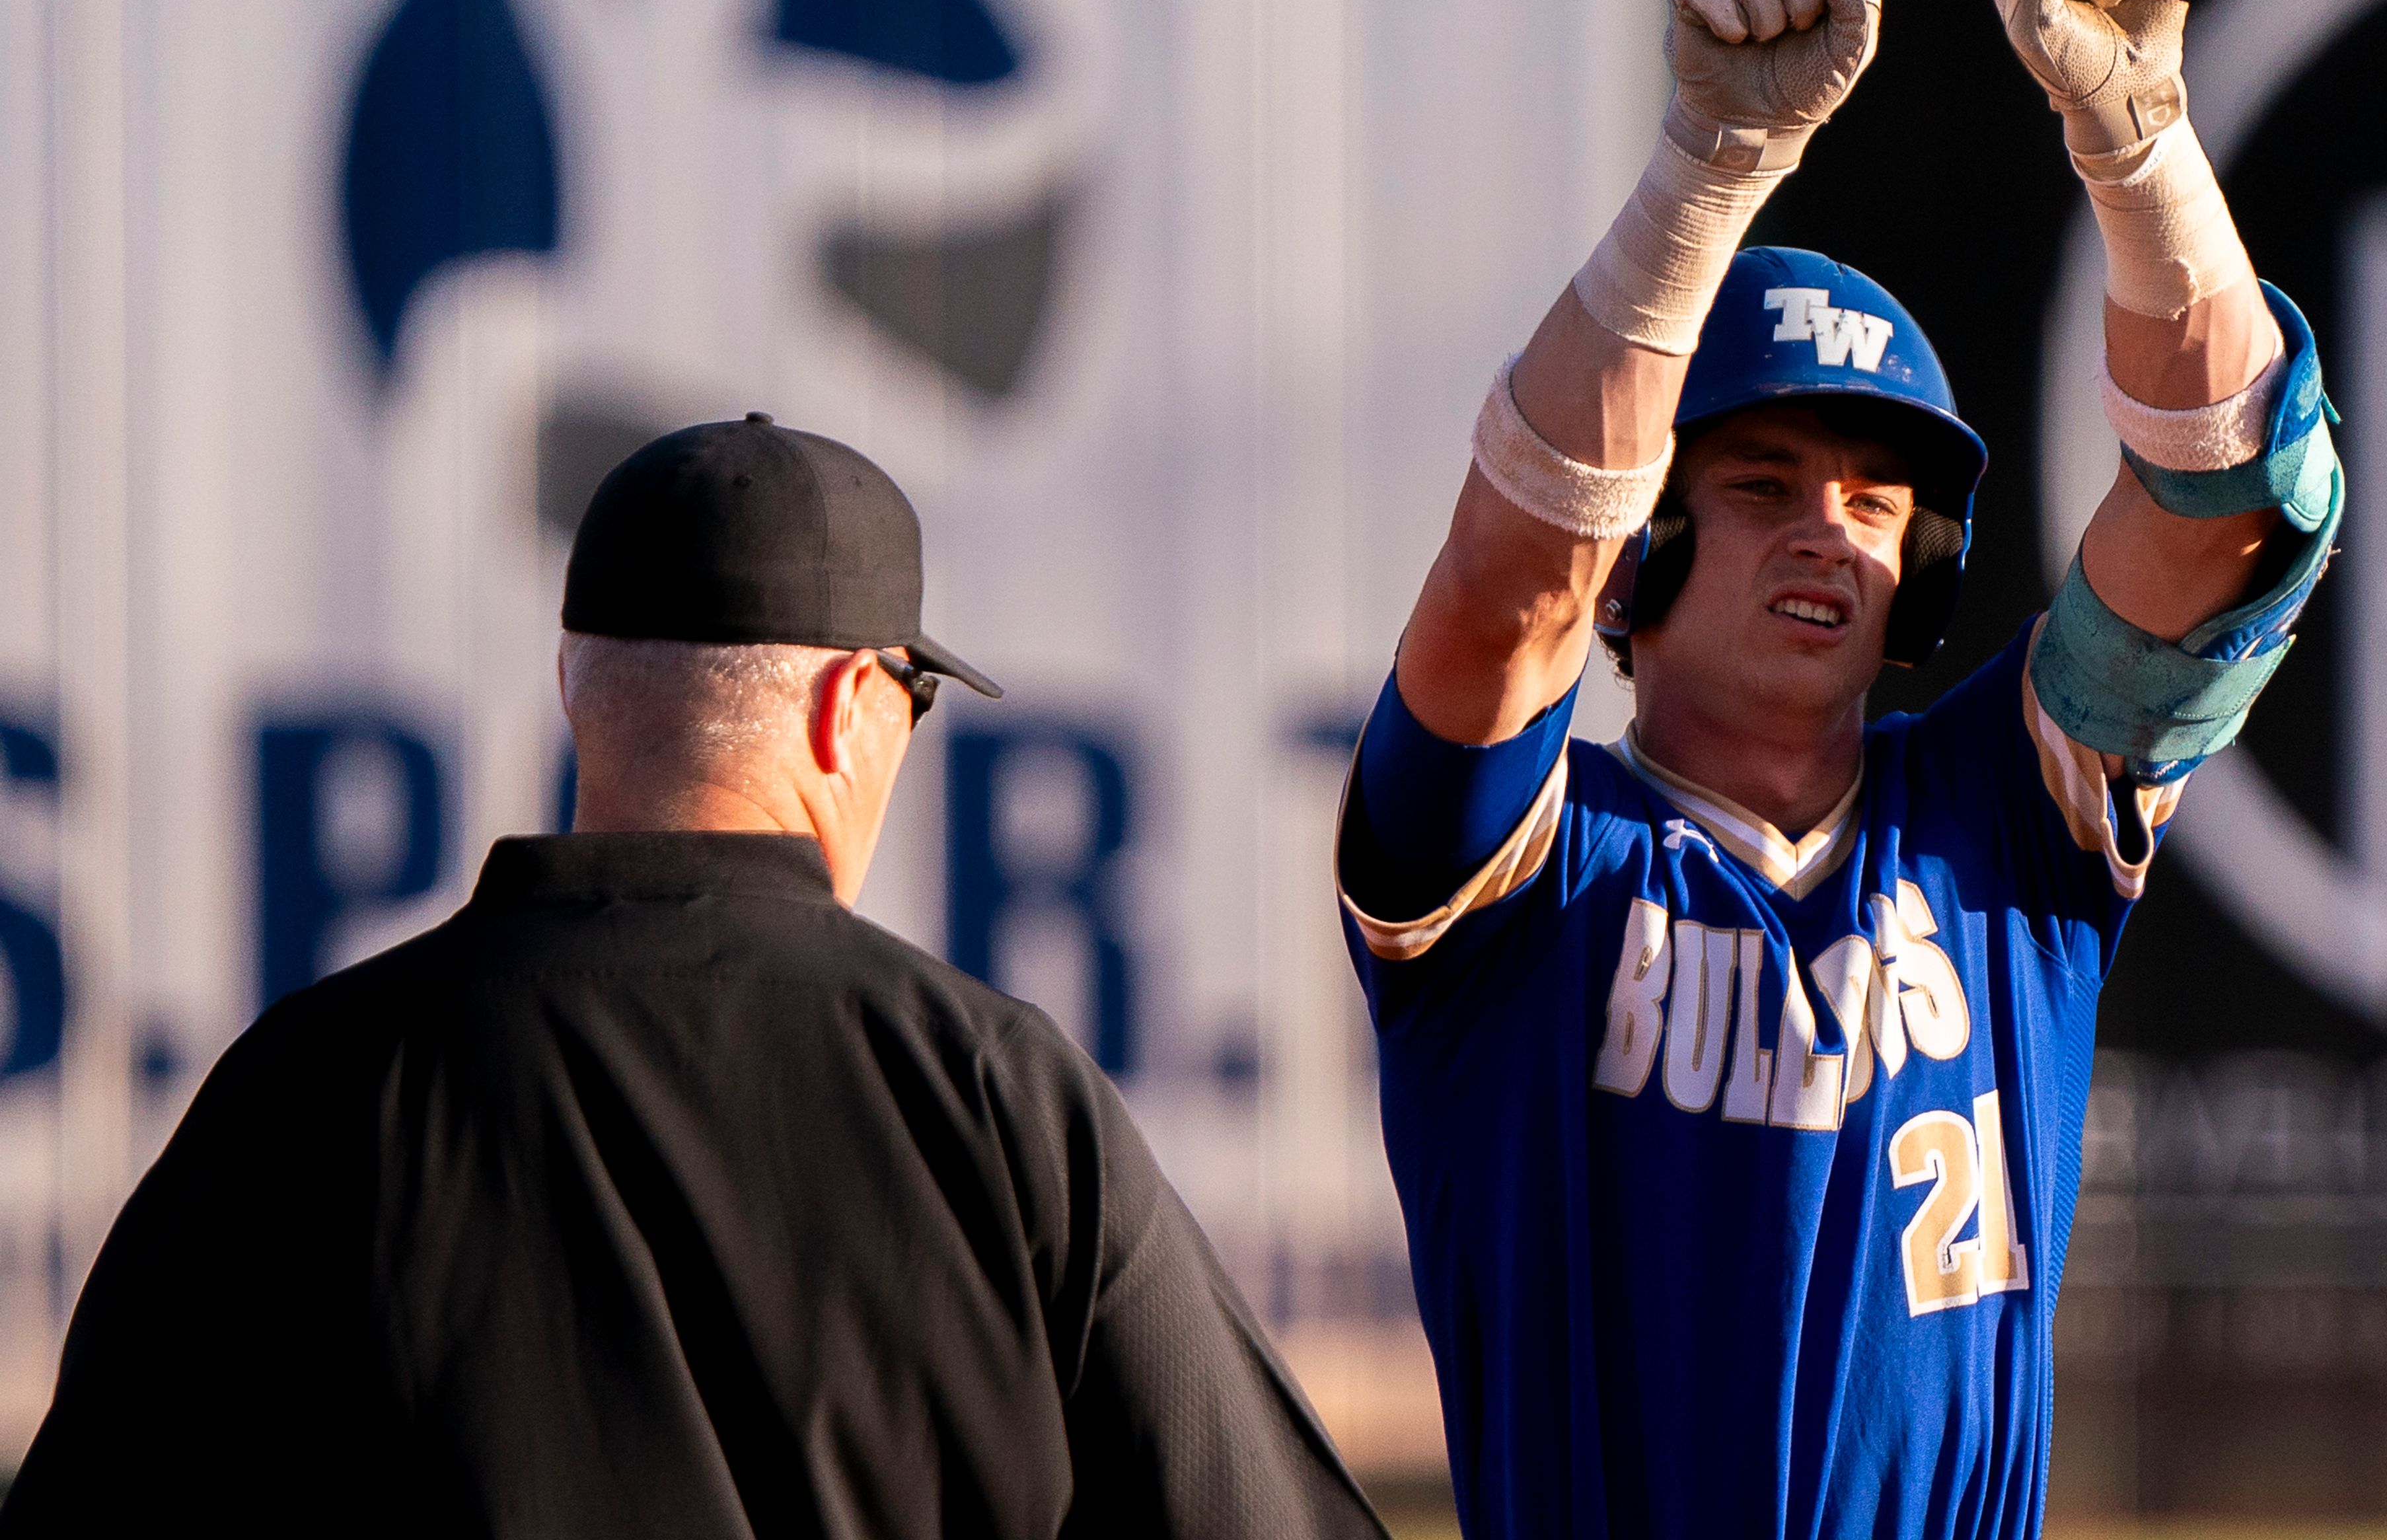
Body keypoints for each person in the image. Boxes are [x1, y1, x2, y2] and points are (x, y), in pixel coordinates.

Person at [1336, 0, 2337, 1539]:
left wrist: (2143, 151)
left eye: (1878, 503)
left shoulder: (2004, 814)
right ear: (1646, 539)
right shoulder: (1522, 874)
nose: (1828, 530)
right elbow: (1509, 583)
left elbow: (2234, 506)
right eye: (1760, 483)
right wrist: (1702, 177)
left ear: (1925, 565)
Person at [2, 415, 1385, 1539]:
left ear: (572, 683)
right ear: (853, 706)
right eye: (916, 698)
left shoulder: (313, 1084)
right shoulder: (998, 1094)